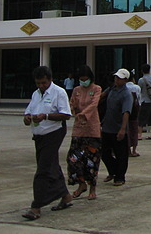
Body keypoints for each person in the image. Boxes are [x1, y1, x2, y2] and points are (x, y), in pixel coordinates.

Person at [22, 66, 73, 220]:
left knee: (43, 169)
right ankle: (65, 195)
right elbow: (28, 111)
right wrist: (28, 118)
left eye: (44, 83)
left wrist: (46, 116)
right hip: (39, 135)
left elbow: (66, 115)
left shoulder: (59, 92)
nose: (41, 86)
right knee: (52, 165)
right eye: (38, 83)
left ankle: (36, 206)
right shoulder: (36, 94)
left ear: (50, 80)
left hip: (54, 133)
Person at [66, 65, 102, 201]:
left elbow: (94, 104)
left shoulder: (96, 89)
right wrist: (71, 110)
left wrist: (84, 114)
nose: (83, 81)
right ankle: (81, 184)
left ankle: (92, 188)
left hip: (92, 129)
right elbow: (72, 103)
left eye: (85, 78)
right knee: (73, 159)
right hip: (78, 129)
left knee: (91, 160)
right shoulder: (76, 90)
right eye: (81, 79)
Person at [100, 68, 132, 187]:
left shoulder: (126, 94)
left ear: (125, 80)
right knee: (104, 152)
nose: (117, 80)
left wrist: (123, 129)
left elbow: (126, 112)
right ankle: (113, 170)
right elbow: (102, 96)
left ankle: (120, 176)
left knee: (121, 154)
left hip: (118, 127)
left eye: (120, 78)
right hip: (107, 126)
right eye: (116, 77)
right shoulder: (112, 89)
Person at [137, 64, 151, 140]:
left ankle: (139, 134)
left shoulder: (141, 80)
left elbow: (139, 91)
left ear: (142, 71)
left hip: (144, 101)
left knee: (141, 118)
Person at [126, 74, 141, 157]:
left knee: (127, 130)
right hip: (134, 111)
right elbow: (139, 99)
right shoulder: (137, 87)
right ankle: (134, 150)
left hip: (125, 110)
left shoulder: (123, 88)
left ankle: (128, 149)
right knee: (134, 130)